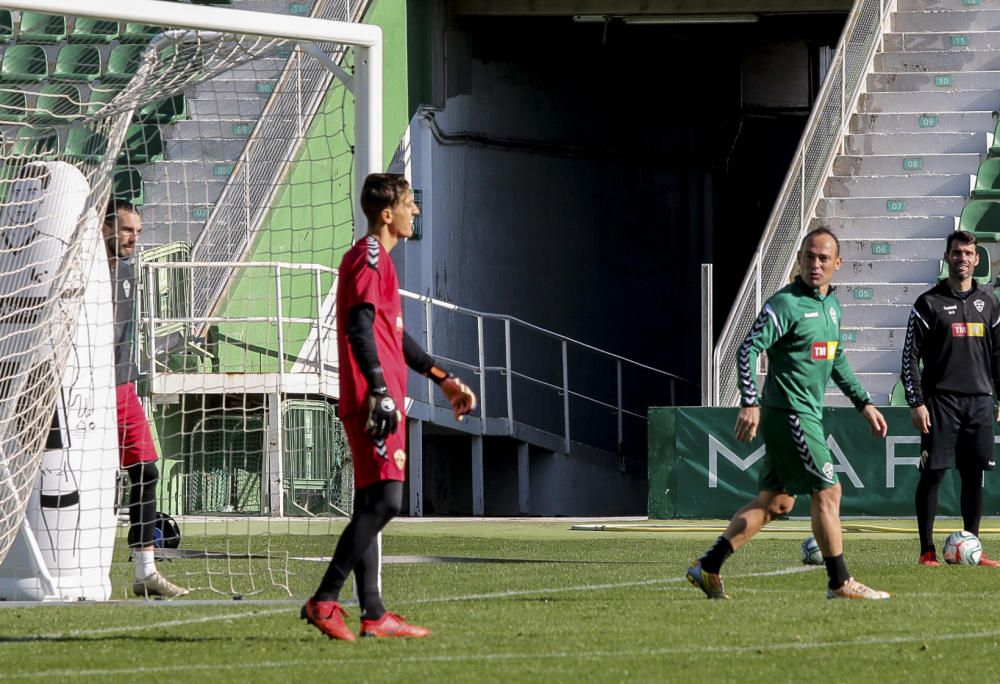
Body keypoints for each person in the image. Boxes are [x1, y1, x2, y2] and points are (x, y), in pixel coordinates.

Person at [301, 173, 476, 641]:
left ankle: (374, 613)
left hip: (380, 396)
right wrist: (379, 390)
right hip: (372, 400)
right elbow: (360, 331)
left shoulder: (384, 265)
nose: (414, 211)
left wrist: (444, 380)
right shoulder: (368, 258)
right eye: (409, 204)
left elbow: (395, 338)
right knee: (387, 501)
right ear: (387, 214)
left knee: (371, 503)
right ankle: (324, 599)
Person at [687, 227, 890, 600]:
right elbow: (747, 348)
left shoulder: (832, 306)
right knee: (829, 491)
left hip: (802, 413)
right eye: (809, 257)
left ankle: (708, 566)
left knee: (777, 502)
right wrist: (750, 400)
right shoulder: (786, 304)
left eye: (823, 258)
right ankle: (840, 582)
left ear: (837, 264)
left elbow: (836, 358)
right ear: (798, 259)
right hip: (790, 413)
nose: (815, 264)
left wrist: (863, 403)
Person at [103, 200, 188, 599]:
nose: (134, 238)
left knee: (146, 470)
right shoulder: (85, 268)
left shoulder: (130, 267)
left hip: (122, 386)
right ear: (104, 229)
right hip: (84, 388)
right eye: (126, 230)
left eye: (137, 230)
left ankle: (145, 571)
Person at [901, 230, 1000, 567]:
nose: (962, 259)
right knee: (933, 474)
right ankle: (927, 551)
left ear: (976, 259)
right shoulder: (927, 303)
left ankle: (973, 545)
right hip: (940, 404)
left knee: (974, 476)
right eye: (956, 253)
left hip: (980, 403)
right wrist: (916, 402)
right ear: (947, 257)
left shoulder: (989, 303)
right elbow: (909, 357)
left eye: (968, 253)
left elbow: (998, 356)